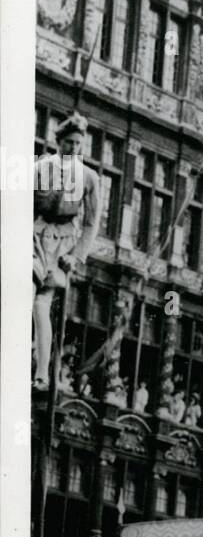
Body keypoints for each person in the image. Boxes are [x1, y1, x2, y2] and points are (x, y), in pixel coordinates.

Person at [32, 113, 101, 390]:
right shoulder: (39, 168)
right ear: (58, 142)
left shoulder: (88, 177)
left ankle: (42, 373)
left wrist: (77, 255)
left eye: (78, 144)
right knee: (26, 290)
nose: (73, 149)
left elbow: (91, 222)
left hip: (63, 244)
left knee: (41, 305)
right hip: (34, 234)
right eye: (69, 143)